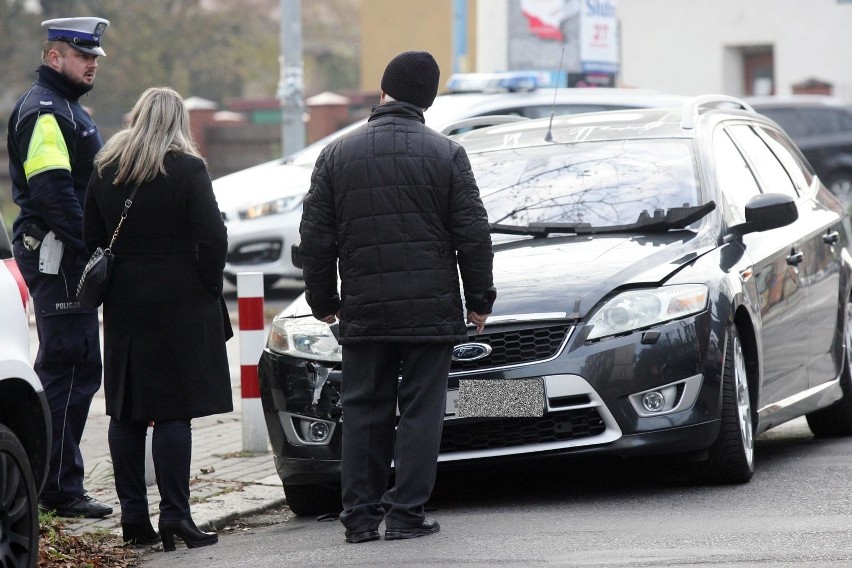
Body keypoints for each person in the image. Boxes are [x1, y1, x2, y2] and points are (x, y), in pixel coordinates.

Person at [299, 50, 496, 544]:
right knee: (421, 411)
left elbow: (316, 239)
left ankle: (360, 518)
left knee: (365, 409)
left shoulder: (336, 155)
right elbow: (473, 235)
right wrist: (479, 300)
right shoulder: (447, 154)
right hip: (431, 310)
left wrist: (323, 300)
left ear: (383, 92)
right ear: (427, 101)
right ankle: (407, 514)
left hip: (364, 309)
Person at [83, 87, 233, 551]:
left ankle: (133, 520)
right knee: (172, 413)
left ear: (137, 116)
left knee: (127, 410)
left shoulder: (106, 169)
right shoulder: (188, 169)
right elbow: (213, 239)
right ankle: (176, 516)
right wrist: (207, 284)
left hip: (126, 303)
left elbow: (91, 235)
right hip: (181, 302)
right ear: (179, 123)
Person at [7, 16, 113, 519]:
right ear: (55, 58)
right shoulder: (47, 110)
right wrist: (93, 245)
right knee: (68, 370)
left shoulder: (66, 108)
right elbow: (52, 193)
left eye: (94, 56)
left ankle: (56, 481)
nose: (92, 63)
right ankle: (55, 488)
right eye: (82, 55)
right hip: (60, 256)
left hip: (65, 255)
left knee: (75, 369)